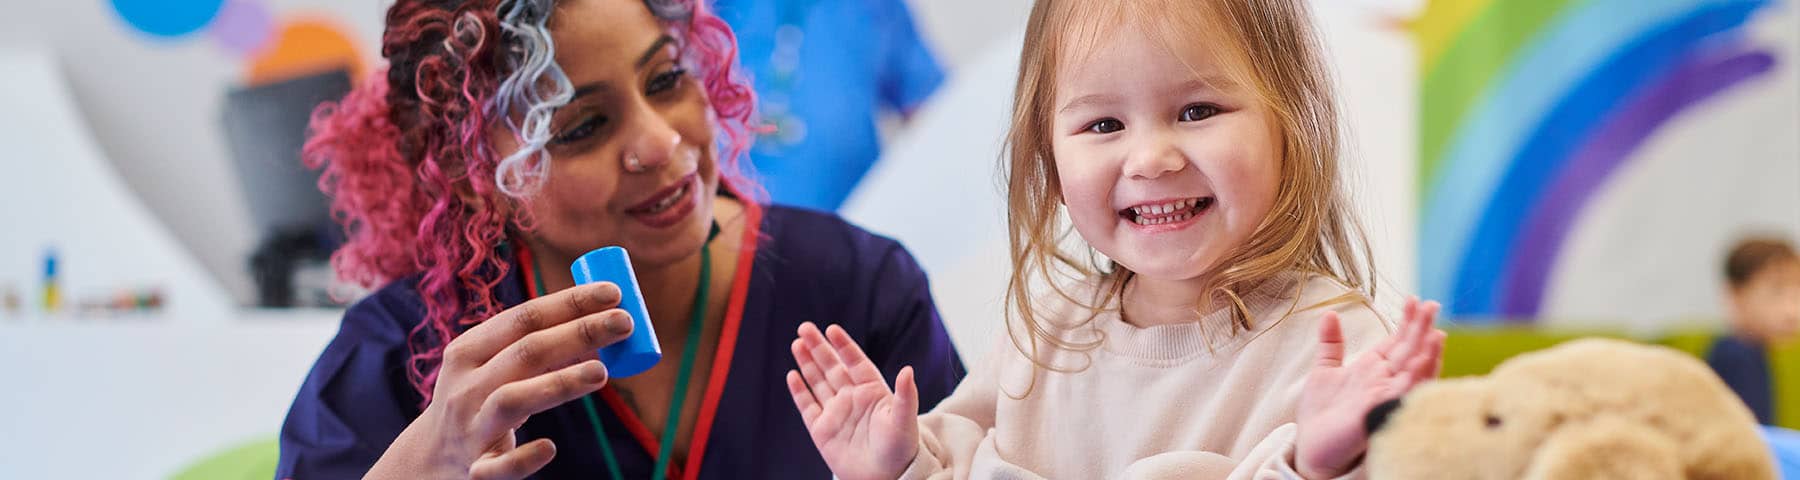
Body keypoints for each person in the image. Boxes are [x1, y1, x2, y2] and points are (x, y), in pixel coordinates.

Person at [275, 1, 965, 478]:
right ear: (474, 172)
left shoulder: (859, 287)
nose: (661, 143)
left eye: (666, 80)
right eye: (582, 128)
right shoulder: (399, 364)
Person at [782, 0, 1448, 477]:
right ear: (1047, 157)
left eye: (1198, 111)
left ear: (1289, 123)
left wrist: (1314, 464)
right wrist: (896, 465)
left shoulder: (1332, 342)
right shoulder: (1044, 332)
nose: (1151, 158)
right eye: (1103, 125)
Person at [713, 0, 946, 211]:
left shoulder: (874, 7)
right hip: (732, 236)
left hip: (856, 226)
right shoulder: (704, 10)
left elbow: (934, 117)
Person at [1709, 235, 1800, 425]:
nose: (1792, 310)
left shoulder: (1753, 351)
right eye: (1777, 292)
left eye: (1797, 294)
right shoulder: (1736, 356)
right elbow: (1750, 437)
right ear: (1736, 295)